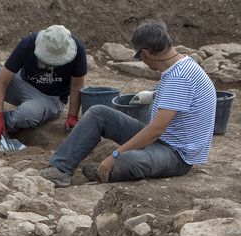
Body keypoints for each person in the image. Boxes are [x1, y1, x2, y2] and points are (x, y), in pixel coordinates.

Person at [40, 20, 216, 187]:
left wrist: (116, 154)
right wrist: (154, 94)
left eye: (140, 57)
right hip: (163, 141)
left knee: (127, 160)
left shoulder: (179, 78)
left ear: (145, 53)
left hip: (177, 155)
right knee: (98, 113)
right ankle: (60, 170)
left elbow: (155, 130)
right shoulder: (181, 63)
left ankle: (109, 172)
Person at [0, 25, 87, 139]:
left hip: (50, 98)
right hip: (22, 83)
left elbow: (77, 86)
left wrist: (72, 116)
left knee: (26, 115)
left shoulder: (78, 50)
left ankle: (3, 125)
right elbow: (2, 81)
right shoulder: (29, 43)